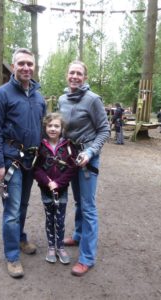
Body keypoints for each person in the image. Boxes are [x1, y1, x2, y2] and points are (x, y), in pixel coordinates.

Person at [0, 48, 46, 278]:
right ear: (13, 67)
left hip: (31, 160)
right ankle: (12, 256)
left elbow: (42, 128)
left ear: (34, 67)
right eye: (21, 63)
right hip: (11, 160)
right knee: (11, 211)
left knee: (22, 206)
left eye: (29, 64)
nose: (26, 68)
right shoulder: (0, 95)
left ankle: (20, 239)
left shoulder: (39, 97)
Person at [58, 60, 110, 276]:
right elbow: (61, 129)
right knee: (78, 201)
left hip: (88, 159)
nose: (75, 77)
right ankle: (78, 235)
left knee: (88, 207)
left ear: (85, 77)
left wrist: (90, 152)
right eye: (72, 73)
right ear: (67, 75)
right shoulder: (62, 99)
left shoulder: (92, 100)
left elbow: (104, 130)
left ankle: (87, 257)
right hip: (71, 158)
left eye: (79, 73)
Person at [34, 112, 77, 265]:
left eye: (56, 126)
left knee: (60, 219)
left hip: (62, 190)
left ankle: (60, 247)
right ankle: (51, 247)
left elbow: (72, 168)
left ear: (62, 128)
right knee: (49, 218)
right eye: (50, 125)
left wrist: (58, 183)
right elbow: (36, 168)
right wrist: (47, 182)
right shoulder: (39, 146)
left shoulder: (68, 146)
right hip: (46, 190)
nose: (53, 129)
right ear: (45, 127)